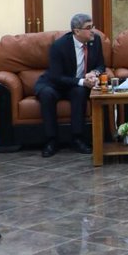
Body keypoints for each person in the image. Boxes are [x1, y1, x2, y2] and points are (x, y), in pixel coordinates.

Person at [34, 13, 106, 158]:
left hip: (75, 85)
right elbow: (56, 77)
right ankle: (51, 141)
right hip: (54, 83)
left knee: (79, 93)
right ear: (76, 31)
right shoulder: (59, 46)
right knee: (47, 94)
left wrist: (94, 73)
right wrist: (82, 81)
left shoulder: (95, 41)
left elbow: (101, 64)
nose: (93, 30)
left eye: (93, 26)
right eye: (88, 27)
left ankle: (77, 138)